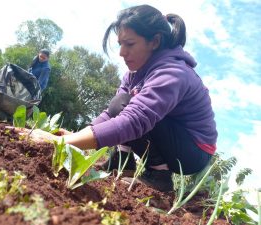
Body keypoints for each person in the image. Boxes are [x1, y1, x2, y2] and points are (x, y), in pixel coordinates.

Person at [15, 4, 217, 192]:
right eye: (120, 44)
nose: (121, 52)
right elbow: (112, 112)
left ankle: (159, 175)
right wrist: (78, 134)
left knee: (129, 105)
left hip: (193, 151)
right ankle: (122, 160)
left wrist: (63, 143)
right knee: (121, 102)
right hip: (172, 136)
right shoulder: (135, 73)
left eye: (129, 44)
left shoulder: (173, 72)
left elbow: (134, 119)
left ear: (154, 42)